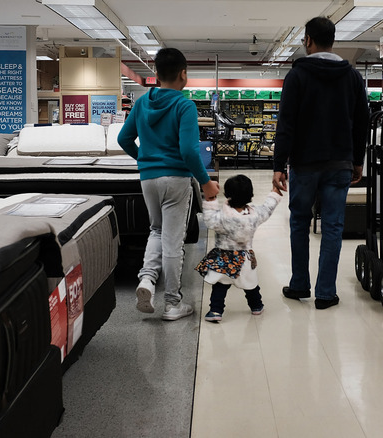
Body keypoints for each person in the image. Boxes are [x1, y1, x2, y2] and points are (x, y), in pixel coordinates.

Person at [272, 16, 370, 310]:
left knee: (300, 222)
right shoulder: (352, 77)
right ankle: (326, 292)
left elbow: (286, 122)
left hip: (304, 163)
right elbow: (361, 122)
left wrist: (279, 164)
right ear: (332, 40)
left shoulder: (297, 76)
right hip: (340, 162)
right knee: (332, 227)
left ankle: (300, 284)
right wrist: (357, 161)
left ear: (308, 40)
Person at [117, 47, 220, 321]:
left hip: (148, 179)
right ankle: (173, 303)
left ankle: (147, 280)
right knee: (174, 241)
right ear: (183, 74)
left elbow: (123, 139)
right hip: (176, 179)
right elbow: (188, 151)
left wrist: (145, 160)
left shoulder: (140, 103)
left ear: (156, 74)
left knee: (156, 230)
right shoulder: (184, 105)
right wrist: (206, 182)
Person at [195, 174, 282, 322]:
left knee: (220, 285)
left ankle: (216, 311)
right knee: (251, 285)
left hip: (224, 259)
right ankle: (256, 306)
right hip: (245, 258)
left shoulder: (222, 217)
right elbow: (268, 207)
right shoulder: (256, 215)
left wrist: (211, 200)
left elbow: (209, 220)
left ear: (227, 194)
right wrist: (275, 191)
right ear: (251, 195)